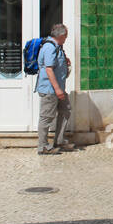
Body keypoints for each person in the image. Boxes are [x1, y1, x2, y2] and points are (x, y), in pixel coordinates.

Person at [36, 23, 74, 153]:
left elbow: (54, 64)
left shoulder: (57, 47)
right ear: (61, 35)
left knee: (66, 110)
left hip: (57, 89)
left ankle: (59, 141)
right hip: (50, 90)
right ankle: (43, 146)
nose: (66, 38)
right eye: (66, 36)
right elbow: (49, 69)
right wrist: (57, 89)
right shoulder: (49, 47)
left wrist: (65, 60)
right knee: (46, 117)